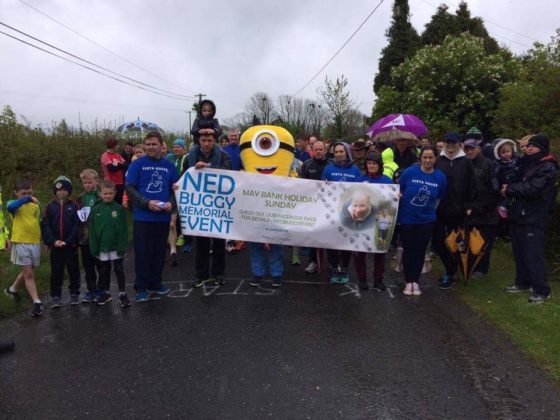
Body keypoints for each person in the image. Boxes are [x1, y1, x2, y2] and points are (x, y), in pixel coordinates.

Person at [503, 134, 558, 304]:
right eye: (527, 147)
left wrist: (510, 188)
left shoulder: (547, 167)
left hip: (534, 216)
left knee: (533, 254)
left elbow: (534, 188)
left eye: (532, 147)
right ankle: (523, 282)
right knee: (519, 252)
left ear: (541, 148)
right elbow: (517, 179)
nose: (528, 149)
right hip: (519, 214)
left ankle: (542, 290)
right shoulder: (527, 164)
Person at [125, 131, 178, 302]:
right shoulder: (137, 164)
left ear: (162, 146)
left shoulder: (169, 166)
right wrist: (146, 203)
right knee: (142, 253)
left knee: (158, 253)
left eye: (154, 144)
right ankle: (141, 287)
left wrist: (171, 203)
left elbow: (176, 189)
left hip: (162, 218)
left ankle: (156, 283)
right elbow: (130, 188)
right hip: (142, 217)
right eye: (147, 144)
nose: (150, 147)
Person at [181, 129, 231, 287]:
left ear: (214, 140)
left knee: (218, 243)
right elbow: (184, 177)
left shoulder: (223, 155)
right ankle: (201, 275)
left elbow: (229, 173)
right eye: (203, 140)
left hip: (218, 204)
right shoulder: (190, 157)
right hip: (200, 205)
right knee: (201, 243)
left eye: (209, 140)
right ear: (199, 141)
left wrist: (208, 167)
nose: (206, 143)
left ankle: (218, 274)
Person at [399, 147, 447, 296]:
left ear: (435, 158)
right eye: (425, 157)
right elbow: (400, 190)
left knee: (420, 251)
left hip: (426, 220)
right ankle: (408, 281)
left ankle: (415, 281)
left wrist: (429, 210)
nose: (427, 160)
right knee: (408, 249)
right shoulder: (409, 173)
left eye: (430, 157)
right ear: (421, 158)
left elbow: (439, 197)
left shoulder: (440, 177)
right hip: (407, 218)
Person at [433, 132, 475, 289]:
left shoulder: (466, 162)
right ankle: (450, 267)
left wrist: (469, 205)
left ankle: (451, 273)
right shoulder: (439, 160)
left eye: (454, 143)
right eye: (448, 142)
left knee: (455, 243)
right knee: (438, 241)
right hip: (439, 208)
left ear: (459, 144)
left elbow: (472, 185)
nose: (451, 145)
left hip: (458, 210)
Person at [322, 141, 362, 284]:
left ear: (347, 152)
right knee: (332, 242)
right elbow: (322, 189)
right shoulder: (328, 169)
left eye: (341, 151)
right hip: (332, 211)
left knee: (346, 241)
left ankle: (344, 268)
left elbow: (360, 191)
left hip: (349, 212)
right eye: (336, 152)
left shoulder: (355, 170)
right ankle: (334, 267)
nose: (338, 154)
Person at [3, 179, 44, 316]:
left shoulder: (36, 205)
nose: (27, 195)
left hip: (35, 242)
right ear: (16, 193)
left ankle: (12, 289)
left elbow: (38, 223)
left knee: (30, 270)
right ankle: (37, 302)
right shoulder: (14, 205)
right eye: (23, 193)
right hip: (21, 243)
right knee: (29, 274)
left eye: (29, 192)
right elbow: (10, 207)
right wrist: (26, 199)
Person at [354, 153, 393, 290]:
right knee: (360, 251)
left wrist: (396, 195)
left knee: (379, 251)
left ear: (379, 165)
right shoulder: (359, 179)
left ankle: (378, 280)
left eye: (374, 163)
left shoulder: (387, 180)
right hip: (362, 219)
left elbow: (391, 198)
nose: (371, 165)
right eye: (369, 163)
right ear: (366, 165)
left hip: (380, 220)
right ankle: (362, 279)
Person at [88, 180, 130, 307]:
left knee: (118, 269)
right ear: (100, 194)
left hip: (116, 247)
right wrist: (94, 247)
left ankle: (122, 293)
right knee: (104, 270)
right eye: (105, 193)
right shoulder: (95, 210)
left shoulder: (119, 209)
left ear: (115, 193)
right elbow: (92, 230)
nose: (107, 196)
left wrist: (122, 246)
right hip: (102, 247)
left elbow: (123, 230)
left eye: (110, 193)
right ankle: (106, 293)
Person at [41, 176, 81, 307]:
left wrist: (69, 241)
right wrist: (52, 241)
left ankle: (74, 293)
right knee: (56, 271)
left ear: (69, 191)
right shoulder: (49, 207)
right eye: (58, 190)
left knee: (73, 270)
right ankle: (56, 296)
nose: (61, 192)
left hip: (70, 246)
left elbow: (77, 225)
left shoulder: (75, 206)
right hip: (56, 246)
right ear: (55, 192)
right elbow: (45, 226)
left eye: (64, 190)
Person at [463, 139, 499, 277]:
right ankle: (471, 266)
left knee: (483, 241)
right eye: (466, 149)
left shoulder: (488, 164)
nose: (469, 151)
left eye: (472, 148)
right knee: (470, 240)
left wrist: (483, 206)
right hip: (469, 209)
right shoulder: (465, 164)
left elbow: (493, 188)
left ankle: (482, 269)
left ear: (478, 149)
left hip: (486, 211)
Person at [300, 140, 332, 274]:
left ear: (325, 150)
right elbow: (302, 184)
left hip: (330, 205)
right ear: (312, 150)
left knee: (330, 234)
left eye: (321, 149)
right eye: (316, 149)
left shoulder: (332, 165)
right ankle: (313, 261)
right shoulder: (307, 165)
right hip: (313, 205)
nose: (318, 152)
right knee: (313, 235)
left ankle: (332, 262)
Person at [76, 169, 102, 303]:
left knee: (101, 264)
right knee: (88, 266)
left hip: (98, 237)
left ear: (96, 182)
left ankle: (102, 289)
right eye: (85, 183)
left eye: (90, 182)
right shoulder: (80, 198)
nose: (87, 185)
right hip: (85, 238)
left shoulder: (101, 196)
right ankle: (91, 289)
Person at [167, 139, 188, 265]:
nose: (176, 149)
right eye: (174, 146)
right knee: (170, 223)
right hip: (169, 193)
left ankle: (179, 243)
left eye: (179, 147)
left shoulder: (187, 158)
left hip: (181, 191)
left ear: (184, 148)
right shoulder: (169, 158)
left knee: (175, 221)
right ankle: (172, 249)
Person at [491, 138, 520, 219]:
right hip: (505, 183)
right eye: (503, 152)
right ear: (498, 153)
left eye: (508, 152)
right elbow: (494, 176)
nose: (506, 154)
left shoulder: (517, 159)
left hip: (516, 182)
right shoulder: (497, 163)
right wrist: (497, 188)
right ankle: (503, 207)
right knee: (507, 196)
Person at [100, 137, 126, 204]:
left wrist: (118, 165)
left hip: (120, 182)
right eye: (117, 145)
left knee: (119, 202)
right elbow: (112, 169)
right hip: (110, 183)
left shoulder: (118, 155)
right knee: (110, 201)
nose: (118, 146)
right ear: (112, 146)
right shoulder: (105, 155)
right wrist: (120, 165)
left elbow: (126, 165)